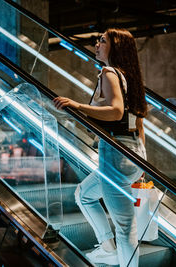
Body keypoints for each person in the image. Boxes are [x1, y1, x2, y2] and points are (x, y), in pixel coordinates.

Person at [53, 28, 147, 267]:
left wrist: (77, 105)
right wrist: (142, 162)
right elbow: (138, 120)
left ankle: (121, 259)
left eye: (102, 41)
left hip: (116, 153)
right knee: (84, 195)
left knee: (126, 228)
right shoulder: (129, 77)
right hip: (134, 153)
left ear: (115, 47)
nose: (97, 44)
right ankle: (107, 247)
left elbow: (116, 111)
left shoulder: (109, 73)